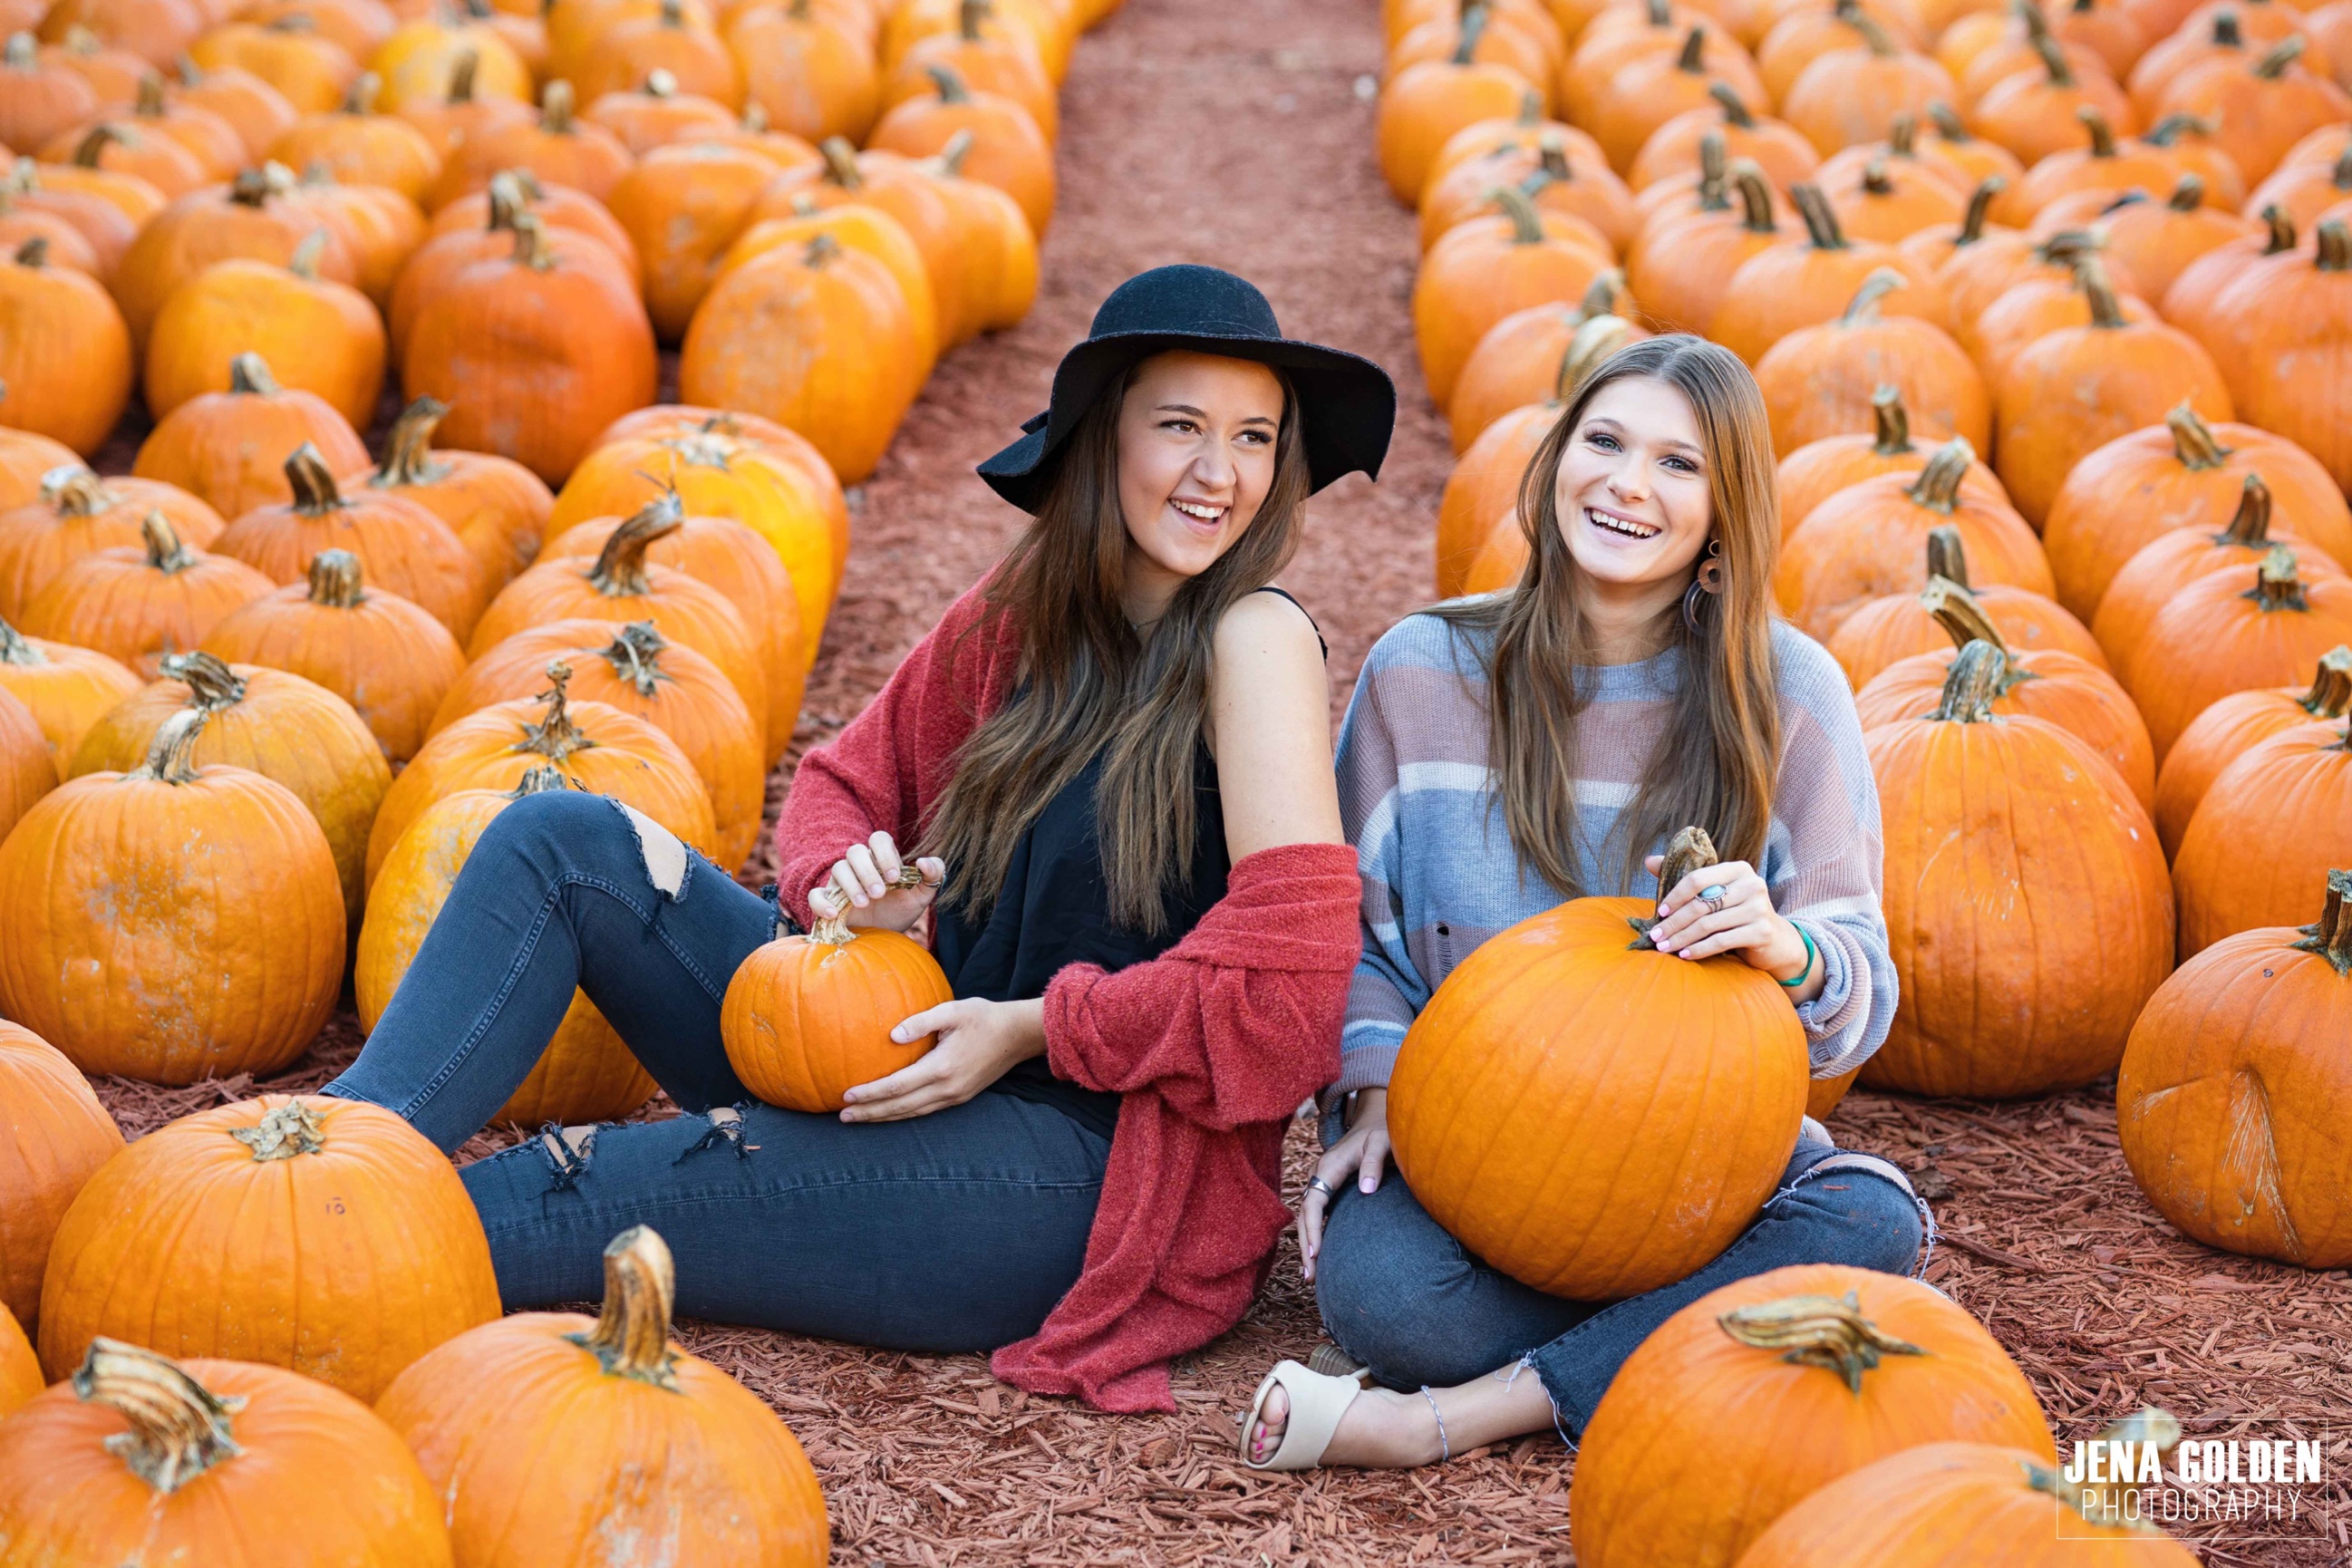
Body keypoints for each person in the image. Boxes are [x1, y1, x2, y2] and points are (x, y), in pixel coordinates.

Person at [323, 265, 1398, 1412]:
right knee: (563, 840)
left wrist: (1031, 1029)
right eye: (1180, 425)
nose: (1218, 473)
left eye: (1253, 437)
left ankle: (335, 1251)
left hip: (1077, 1173)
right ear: (1104, 435)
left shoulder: (1254, 638)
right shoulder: (1023, 613)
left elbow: (1288, 998)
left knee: (545, 1199)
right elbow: (848, 780)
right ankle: (323, 1160)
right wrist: (848, 886)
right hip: (908, 1054)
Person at [1238, 334, 1932, 1470]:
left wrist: (1785, 946)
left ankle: (1448, 1417)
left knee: (1873, 1222)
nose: (1626, 484)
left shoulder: (1786, 692)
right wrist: (1367, 1092)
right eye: (1604, 441)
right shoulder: (1422, 671)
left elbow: (1857, 989)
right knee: (1384, 1300)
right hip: (1461, 1149)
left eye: (1679, 464)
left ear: (1725, 513)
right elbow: (1355, 932)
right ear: (1556, 457)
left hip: (1687, 1172)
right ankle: (1692, 1331)